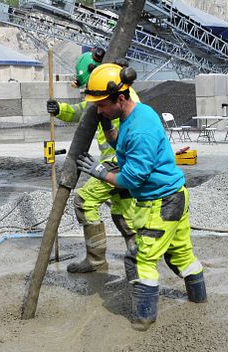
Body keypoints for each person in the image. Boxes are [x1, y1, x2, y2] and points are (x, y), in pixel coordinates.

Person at [76, 62, 206, 331]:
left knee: (140, 258)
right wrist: (108, 127)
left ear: (120, 98)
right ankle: (199, 299)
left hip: (162, 203)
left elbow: (132, 178)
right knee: (182, 255)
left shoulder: (140, 130)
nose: (99, 109)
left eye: (102, 105)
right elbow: (122, 145)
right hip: (174, 196)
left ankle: (142, 320)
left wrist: (100, 172)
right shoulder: (135, 116)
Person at [47, 49, 139, 273]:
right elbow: (82, 111)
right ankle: (138, 256)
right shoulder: (107, 97)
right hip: (119, 161)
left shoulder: (123, 97)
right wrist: (60, 110)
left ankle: (96, 261)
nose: (97, 106)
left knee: (85, 201)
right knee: (123, 210)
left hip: (119, 160)